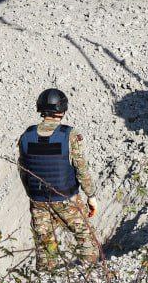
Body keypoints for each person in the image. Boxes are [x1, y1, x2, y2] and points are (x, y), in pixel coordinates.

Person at [18, 88, 100, 270]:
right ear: (63, 109)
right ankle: (92, 274)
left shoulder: (26, 135)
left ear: (40, 109)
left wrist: (31, 193)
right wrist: (91, 196)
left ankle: (46, 281)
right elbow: (81, 168)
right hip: (65, 198)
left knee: (44, 244)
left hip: (38, 201)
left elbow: (22, 169)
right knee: (85, 237)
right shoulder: (69, 135)